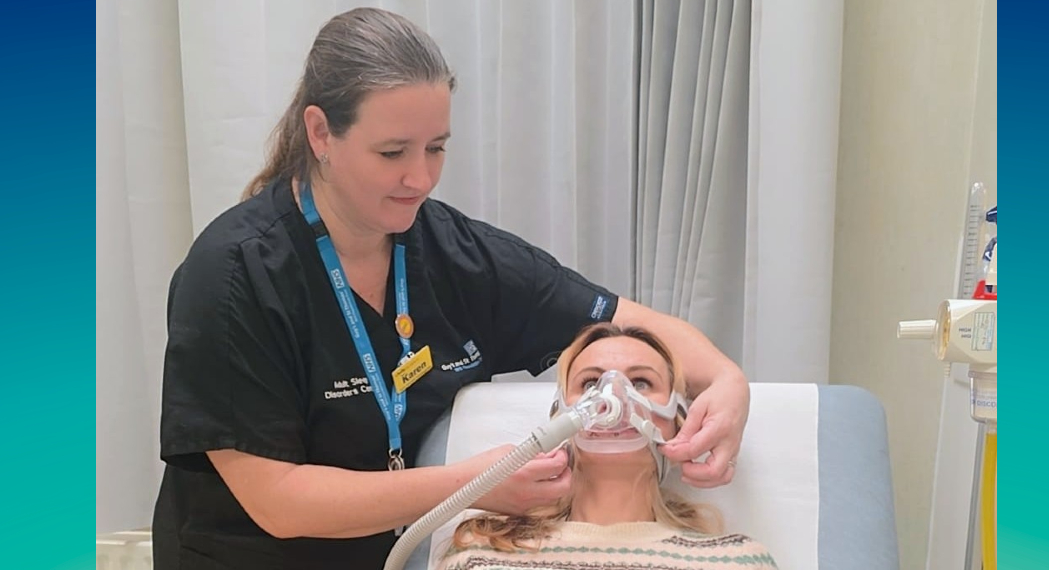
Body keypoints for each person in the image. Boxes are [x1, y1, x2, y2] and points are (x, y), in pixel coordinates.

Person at [152, 7, 750, 570]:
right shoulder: (235, 276)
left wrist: (727, 380)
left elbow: (629, 326)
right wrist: (480, 482)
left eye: (436, 148)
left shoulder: (456, 255)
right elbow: (278, 501)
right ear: (320, 134)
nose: (421, 178)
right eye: (392, 153)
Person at [437, 323, 777, 570]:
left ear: (678, 421)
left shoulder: (735, 561)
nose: (612, 396)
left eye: (641, 382)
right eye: (590, 383)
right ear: (560, 419)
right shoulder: (481, 554)